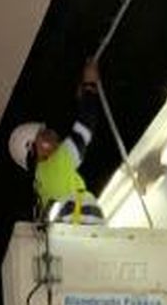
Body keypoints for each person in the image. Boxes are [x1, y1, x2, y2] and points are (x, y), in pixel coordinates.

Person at [6, 58, 105, 219]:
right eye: (44, 135)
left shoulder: (42, 186)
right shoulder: (55, 164)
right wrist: (90, 84)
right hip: (83, 234)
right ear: (32, 149)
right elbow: (86, 124)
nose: (54, 134)